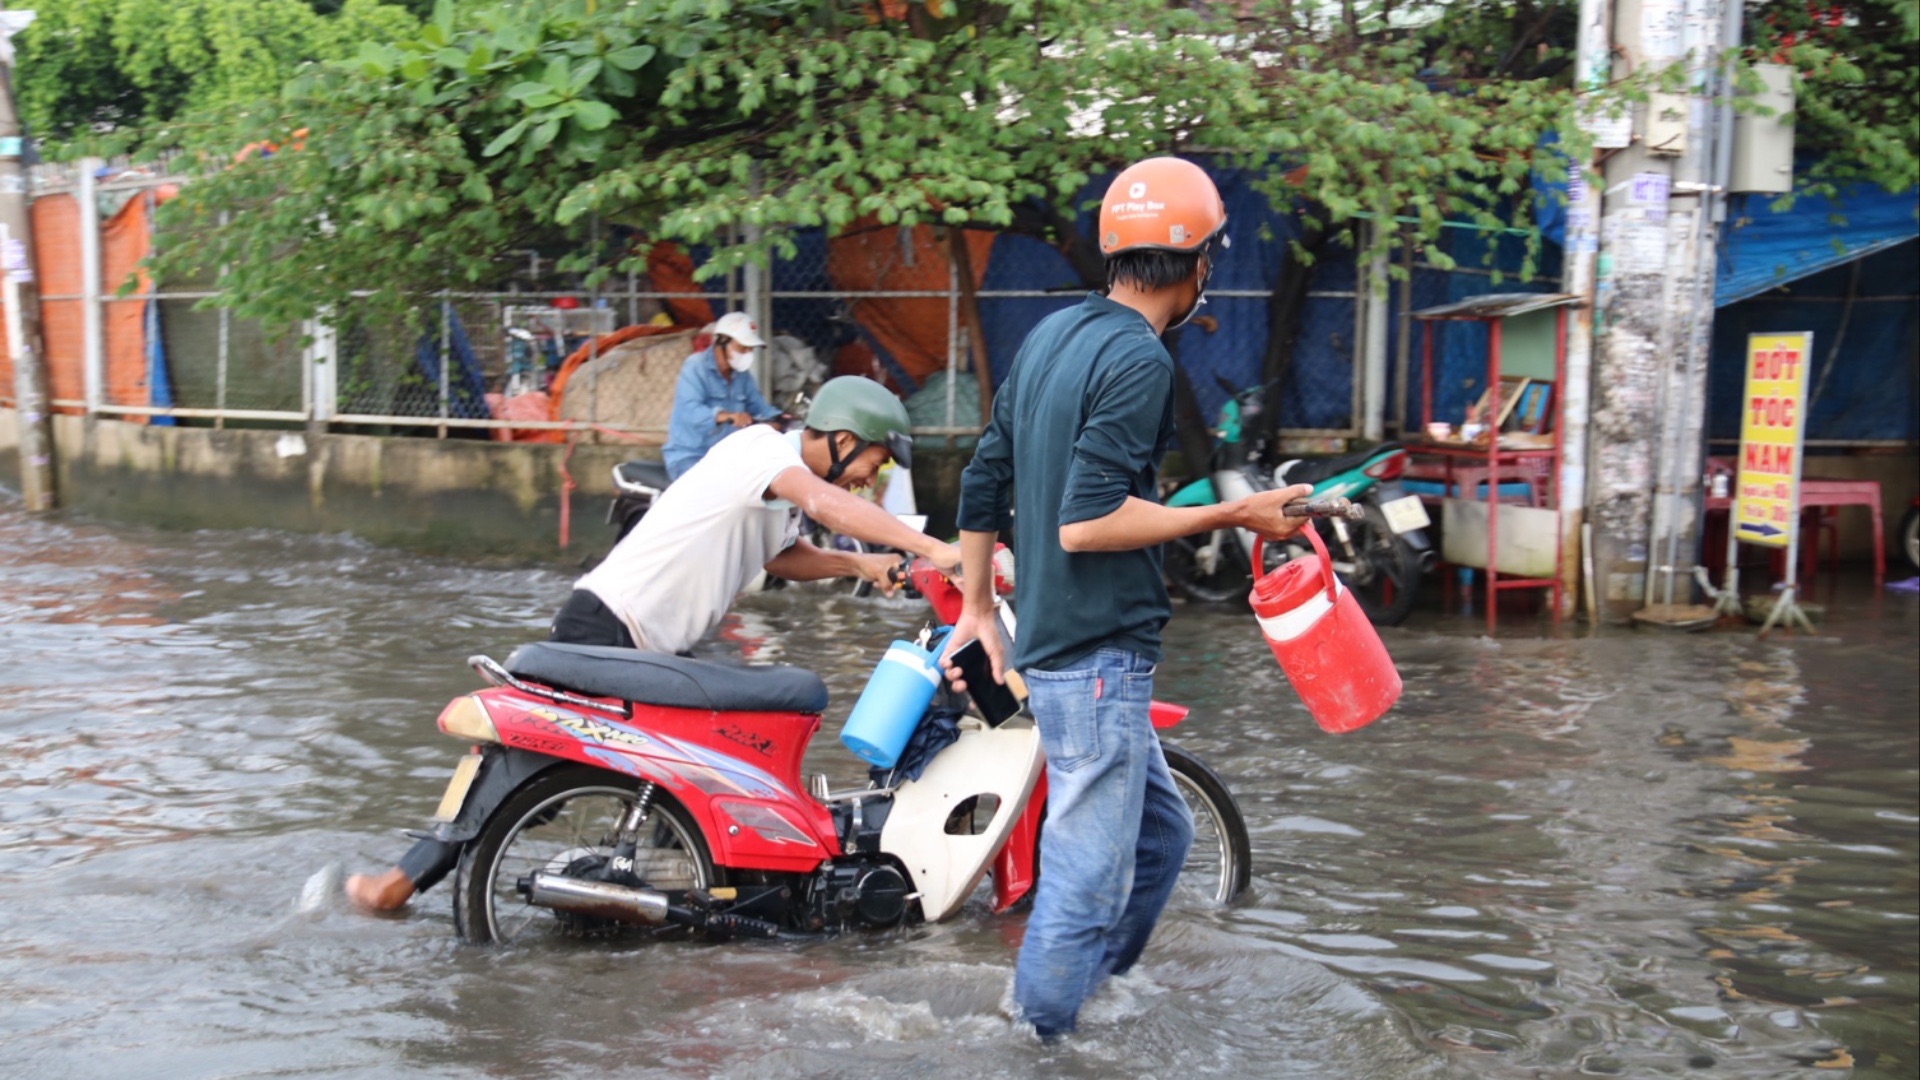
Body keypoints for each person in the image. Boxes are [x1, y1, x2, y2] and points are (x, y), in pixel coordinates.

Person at [939, 157, 1313, 1040]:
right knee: (1088, 871)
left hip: (1063, 639)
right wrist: (1237, 510)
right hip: (1095, 650)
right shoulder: (1140, 360)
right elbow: (1086, 522)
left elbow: (984, 474)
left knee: (1162, 841)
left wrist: (978, 611)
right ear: (1199, 265)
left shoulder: (1055, 335)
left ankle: (1080, 992)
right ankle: (1034, 1036)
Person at [346, 376, 961, 912]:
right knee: (530, 773)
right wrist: (932, 547)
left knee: (696, 779)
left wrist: (862, 567)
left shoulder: (779, 490)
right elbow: (824, 500)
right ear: (843, 438)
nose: (870, 479)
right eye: (873, 462)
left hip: (656, 650)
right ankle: (400, 883)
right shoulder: (762, 450)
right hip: (608, 626)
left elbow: (782, 557)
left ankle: (674, 907)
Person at [662, 311, 787, 480]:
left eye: (750, 349)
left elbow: (759, 406)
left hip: (726, 458)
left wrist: (780, 418)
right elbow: (691, 412)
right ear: (722, 341)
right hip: (690, 456)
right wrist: (728, 416)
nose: (748, 353)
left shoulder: (741, 375)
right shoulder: (695, 367)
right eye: (742, 347)